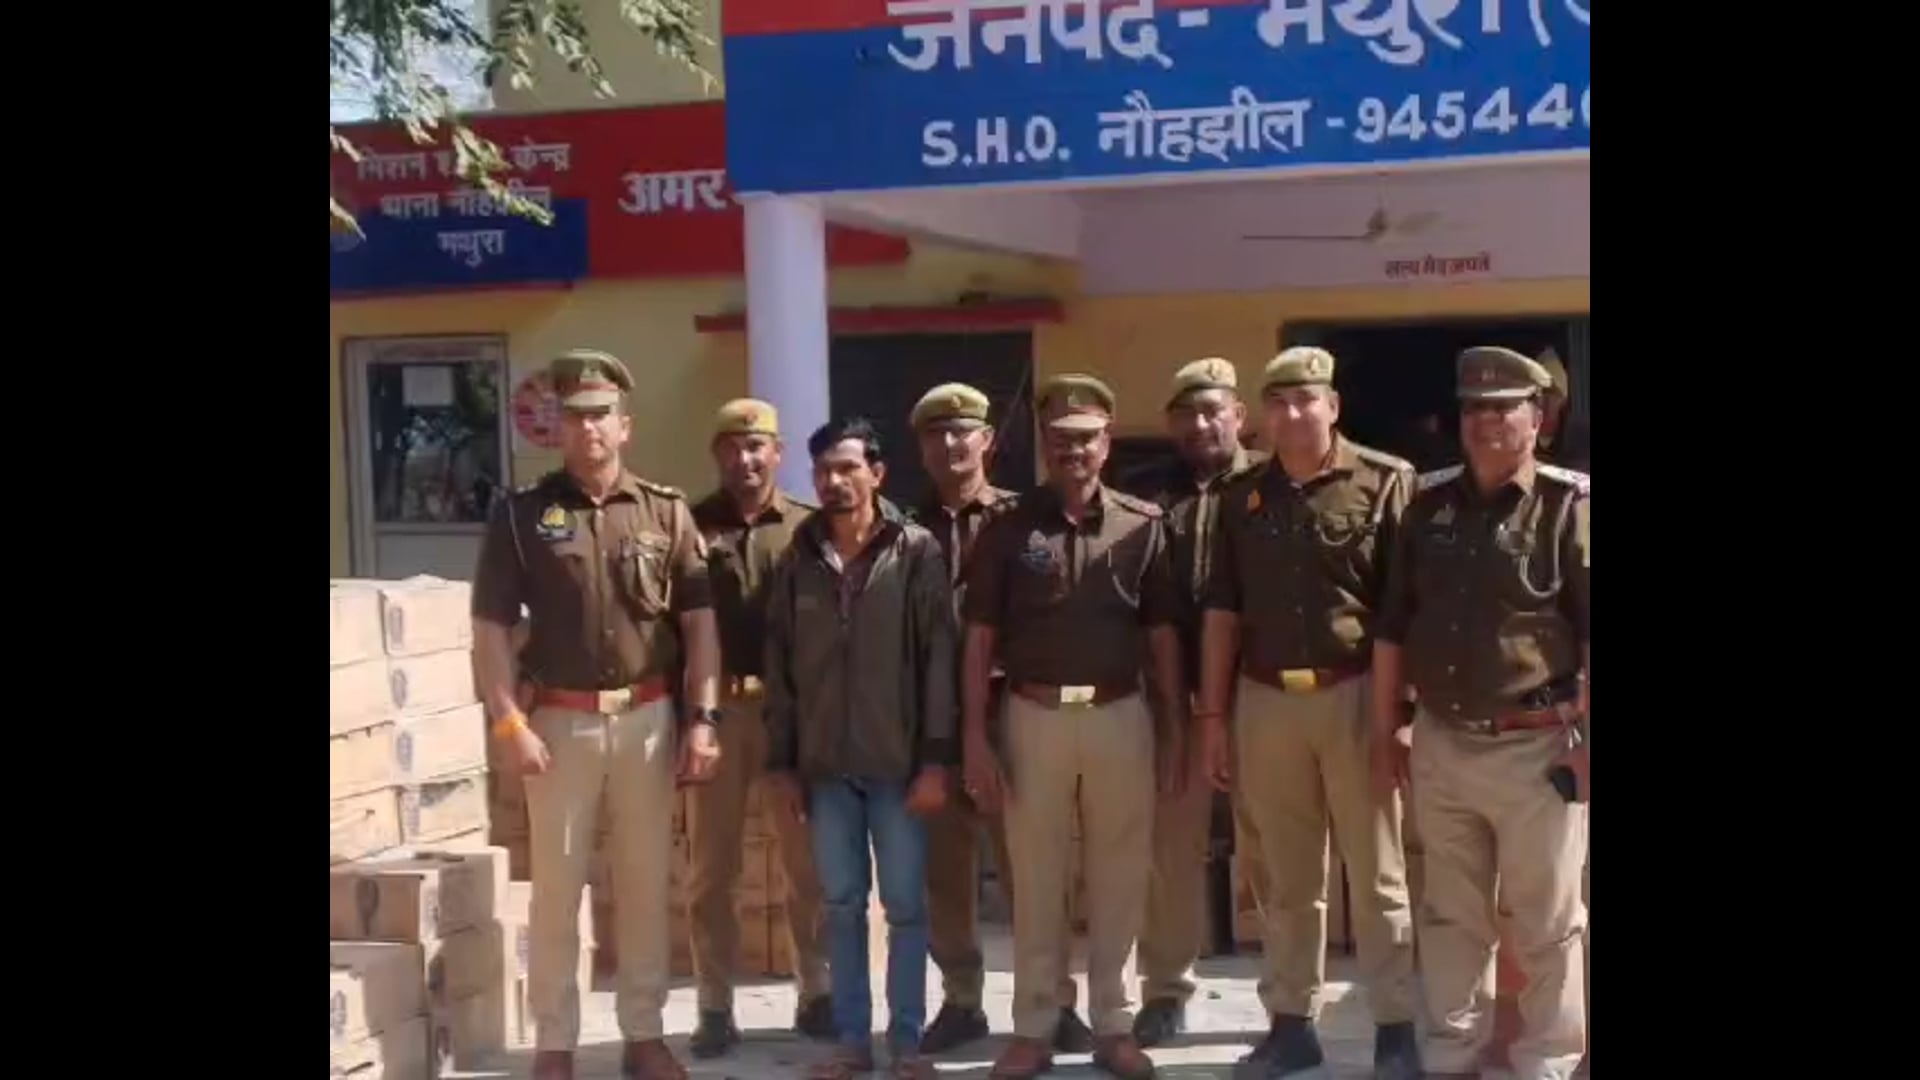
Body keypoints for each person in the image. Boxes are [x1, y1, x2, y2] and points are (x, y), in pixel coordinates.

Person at [469, 349, 723, 1080]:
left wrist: (703, 720)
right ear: (559, 427)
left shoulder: (665, 511)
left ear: (625, 425)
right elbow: (490, 627)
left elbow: (700, 624)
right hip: (559, 725)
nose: (589, 429)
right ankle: (556, 1043)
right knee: (557, 889)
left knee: (645, 883)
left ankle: (644, 1034)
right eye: (576, 417)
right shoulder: (521, 515)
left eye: (601, 415)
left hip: (649, 720)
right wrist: (509, 723)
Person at [1196, 347, 1422, 1079]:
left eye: (1307, 399)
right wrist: (1213, 717)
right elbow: (1222, 610)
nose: (1293, 413)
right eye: (1279, 401)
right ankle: (1292, 1023)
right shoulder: (1240, 497)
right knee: (1284, 878)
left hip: (1357, 693)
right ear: (1263, 414)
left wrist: (1400, 714)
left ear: (1333, 406)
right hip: (1265, 700)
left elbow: (1406, 607)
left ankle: (1395, 1027)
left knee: (1378, 873)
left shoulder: (1385, 482)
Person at [1371, 346, 1590, 1080]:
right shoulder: (1425, 506)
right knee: (1449, 916)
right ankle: (1452, 1054)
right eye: (1473, 408)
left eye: (1503, 407)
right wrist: (1386, 730)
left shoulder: (1570, 507)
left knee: (1547, 921)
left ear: (1539, 418)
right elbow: (1393, 627)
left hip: (1538, 748)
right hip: (1442, 742)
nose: (1486, 421)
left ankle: (1546, 1060)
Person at [963, 374, 1185, 1080]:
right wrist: (974, 735)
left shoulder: (1142, 524)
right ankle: (1034, 1026)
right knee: (1036, 877)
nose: (1073, 451)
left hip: (1121, 715)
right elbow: (979, 636)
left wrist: (1174, 729)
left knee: (1120, 875)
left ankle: (1114, 1026)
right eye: (1060, 439)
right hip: (1034, 716)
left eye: (1086, 438)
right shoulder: (1008, 527)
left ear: (1107, 442)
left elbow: (1161, 636)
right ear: (1044, 444)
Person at [762, 416, 960, 1080]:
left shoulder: (916, 551)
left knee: (905, 907)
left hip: (897, 765)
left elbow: (939, 659)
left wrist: (935, 760)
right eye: (823, 470)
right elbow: (781, 667)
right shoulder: (799, 558)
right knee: (841, 907)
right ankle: (852, 1042)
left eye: (847, 468)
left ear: (877, 474)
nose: (834, 481)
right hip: (825, 768)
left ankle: (906, 1044)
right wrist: (783, 762)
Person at [905, 382, 1093, 1055]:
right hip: (931, 720)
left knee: (1032, 867)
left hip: (1012, 710)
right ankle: (962, 999)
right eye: (936, 433)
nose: (951, 444)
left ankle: (1052, 1001)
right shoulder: (903, 528)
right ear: (921, 448)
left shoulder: (1025, 519)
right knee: (945, 870)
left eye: (964, 431)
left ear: (987, 441)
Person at [1128, 358, 1271, 1048]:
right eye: (1187, 413)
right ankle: (1165, 989)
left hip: (1259, 694)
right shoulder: (1145, 497)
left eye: (1214, 410)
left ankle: (1290, 997)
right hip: (1175, 697)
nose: (1202, 424)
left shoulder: (1273, 485)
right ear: (1170, 424)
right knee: (1170, 852)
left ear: (1239, 416)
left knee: (1274, 848)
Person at [685, 399, 833, 1056]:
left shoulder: (808, 528)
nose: (745, 459)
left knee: (807, 865)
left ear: (778, 454)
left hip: (789, 713)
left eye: (757, 447)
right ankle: (714, 1005)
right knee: (713, 870)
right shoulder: (690, 525)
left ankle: (817, 990)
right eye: (732, 447)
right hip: (718, 711)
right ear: (717, 454)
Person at [1534, 348, 1591, 473]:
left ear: (1563, 401)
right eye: (1538, 397)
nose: (1543, 405)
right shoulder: (1523, 433)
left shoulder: (1582, 433)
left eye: (1550, 396)